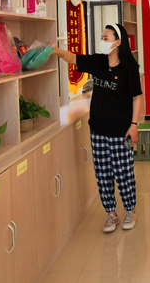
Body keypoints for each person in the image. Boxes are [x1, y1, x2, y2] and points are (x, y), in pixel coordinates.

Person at [52, 23, 143, 234]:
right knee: (103, 173)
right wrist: (56, 51)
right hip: (98, 129)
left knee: (124, 173)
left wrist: (134, 125)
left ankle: (130, 211)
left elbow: (137, 98)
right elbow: (73, 58)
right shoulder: (98, 61)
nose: (102, 41)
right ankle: (111, 213)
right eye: (102, 37)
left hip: (121, 129)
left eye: (106, 38)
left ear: (117, 42)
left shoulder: (129, 67)